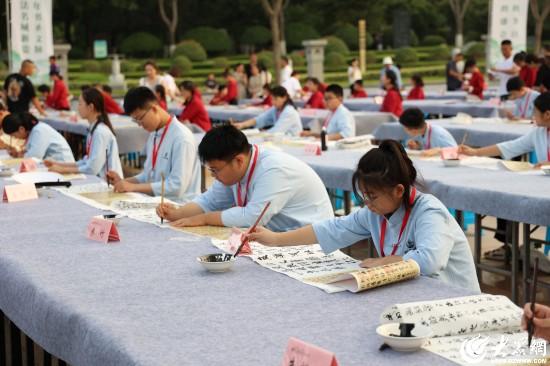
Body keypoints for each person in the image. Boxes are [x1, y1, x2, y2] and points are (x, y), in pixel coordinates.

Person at [248, 140, 480, 292]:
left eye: (372, 196)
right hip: (411, 291)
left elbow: (430, 261)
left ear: (399, 190)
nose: (367, 204)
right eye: (364, 196)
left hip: (453, 298)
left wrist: (383, 263)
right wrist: (276, 239)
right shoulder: (375, 212)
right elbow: (332, 228)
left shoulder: (429, 211)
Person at [156, 124, 333, 230]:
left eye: (215, 170)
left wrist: (203, 218)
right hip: (277, 235)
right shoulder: (235, 169)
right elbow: (210, 201)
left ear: (238, 160)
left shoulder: (273, 170)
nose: (214, 176)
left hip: (309, 239)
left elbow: (252, 218)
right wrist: (177, 214)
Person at [106, 87, 201, 200]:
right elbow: (149, 175)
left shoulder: (181, 138)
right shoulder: (154, 134)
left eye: (140, 118)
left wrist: (133, 187)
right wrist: (123, 182)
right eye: (135, 121)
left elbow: (177, 186)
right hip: (157, 203)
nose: (139, 124)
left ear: (154, 109)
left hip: (181, 206)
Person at [45, 88, 123, 179]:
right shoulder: (93, 129)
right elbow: (87, 161)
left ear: (91, 107)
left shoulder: (100, 132)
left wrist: (63, 169)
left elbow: (92, 168)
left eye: (80, 104)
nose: (78, 108)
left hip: (109, 183)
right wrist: (59, 164)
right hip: (99, 180)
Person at [459, 92, 550, 168]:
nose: (533, 115)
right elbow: (510, 146)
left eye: (535, 112)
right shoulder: (538, 132)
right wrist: (476, 152)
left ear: (547, 115)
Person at [2, 112, 74, 162]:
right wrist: (19, 154)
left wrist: (19, 155)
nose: (15, 138)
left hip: (63, 165)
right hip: (54, 165)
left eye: (14, 135)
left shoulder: (39, 131)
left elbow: (34, 157)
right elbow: (30, 152)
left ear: (21, 129)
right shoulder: (33, 131)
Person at [232, 86, 302, 136]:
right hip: (282, 138)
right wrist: (242, 125)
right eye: (272, 99)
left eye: (275, 99)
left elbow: (277, 131)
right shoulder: (275, 109)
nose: (273, 102)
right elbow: (260, 118)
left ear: (284, 98)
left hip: (293, 139)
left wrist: (257, 133)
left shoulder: (289, 111)